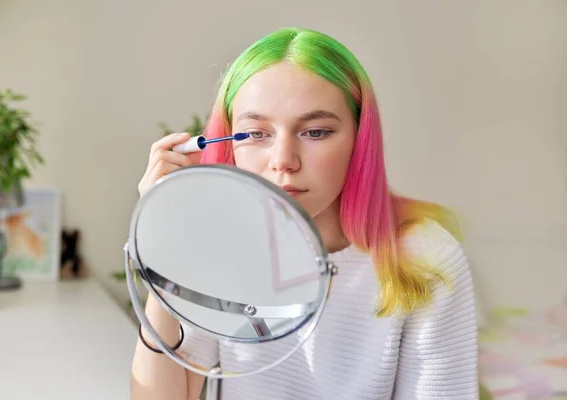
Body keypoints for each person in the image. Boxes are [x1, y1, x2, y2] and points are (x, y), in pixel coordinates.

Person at [131, 27, 478, 400]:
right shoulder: (220, 244)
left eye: (314, 132)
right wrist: (165, 248)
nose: (283, 161)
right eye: (255, 134)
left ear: (359, 140)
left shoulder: (426, 258)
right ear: (230, 142)